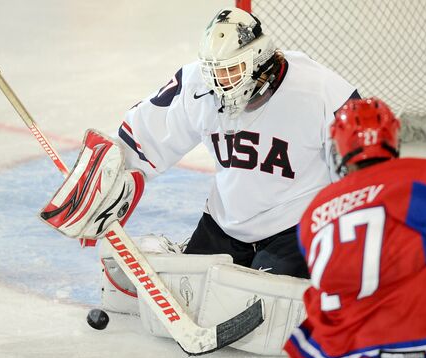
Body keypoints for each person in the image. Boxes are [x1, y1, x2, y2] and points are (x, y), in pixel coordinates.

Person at [113, 7, 360, 278]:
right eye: (214, 72)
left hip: (294, 229)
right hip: (224, 224)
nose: (220, 83)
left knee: (266, 302)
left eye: (231, 70)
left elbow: (363, 174)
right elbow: (144, 135)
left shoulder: (320, 91)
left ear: (258, 59)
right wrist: (111, 174)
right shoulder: (199, 85)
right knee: (189, 290)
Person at [284, 98, 426, 358]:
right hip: (414, 346)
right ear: (394, 139)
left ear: (339, 149)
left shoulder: (317, 209)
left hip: (328, 352)